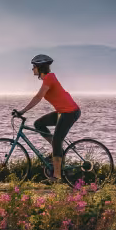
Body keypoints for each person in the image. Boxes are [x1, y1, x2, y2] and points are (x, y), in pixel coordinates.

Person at [14, 54, 80, 182]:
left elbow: (38, 97)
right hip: (63, 112)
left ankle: (57, 176)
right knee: (38, 124)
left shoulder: (49, 78)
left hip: (70, 112)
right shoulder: (48, 79)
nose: (32, 69)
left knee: (56, 139)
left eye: (34, 67)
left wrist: (23, 111)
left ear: (40, 68)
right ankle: (58, 150)